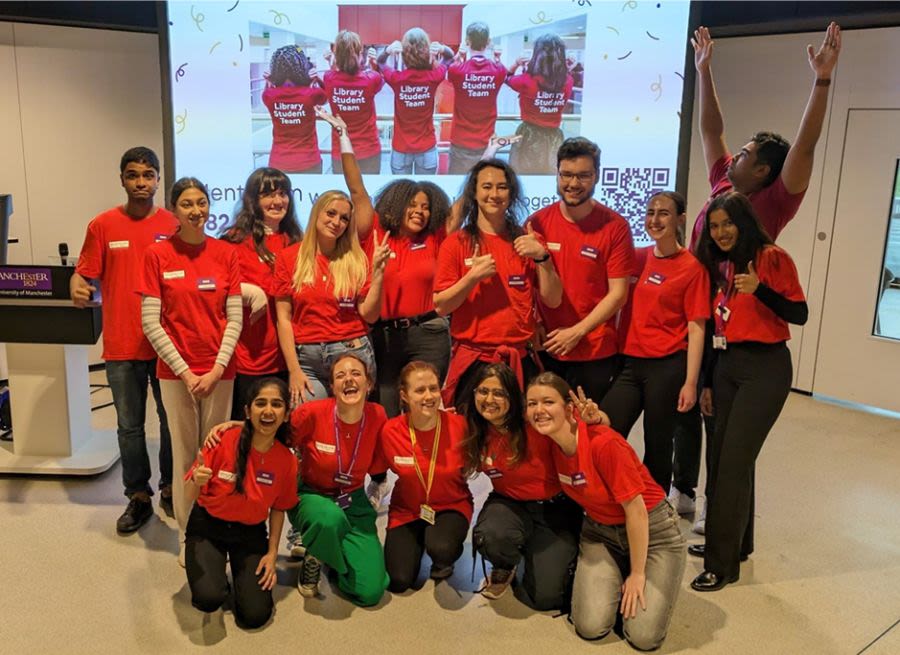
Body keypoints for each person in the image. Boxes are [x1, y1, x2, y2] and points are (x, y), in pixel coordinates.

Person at [676, 23, 841, 527]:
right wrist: (704, 72)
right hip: (695, 307)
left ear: (765, 171)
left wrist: (822, 83)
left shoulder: (774, 199)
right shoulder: (724, 178)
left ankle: (714, 501)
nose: (737, 156)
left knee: (716, 417)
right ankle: (682, 490)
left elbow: (805, 150)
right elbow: (710, 130)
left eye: (747, 154)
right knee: (688, 402)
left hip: (733, 323)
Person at [689, 191, 808, 591]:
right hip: (726, 366)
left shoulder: (772, 258)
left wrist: (760, 290)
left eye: (728, 223)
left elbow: (799, 314)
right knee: (725, 458)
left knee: (733, 464)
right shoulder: (718, 266)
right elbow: (714, 330)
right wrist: (706, 381)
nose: (721, 232)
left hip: (765, 368)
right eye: (715, 225)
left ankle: (720, 565)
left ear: (744, 222)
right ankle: (737, 543)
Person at [526, 372, 684, 651]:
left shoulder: (603, 443)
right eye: (532, 404)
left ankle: (639, 571)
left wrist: (637, 574)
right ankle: (618, 574)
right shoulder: (548, 444)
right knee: (590, 627)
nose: (539, 410)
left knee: (643, 637)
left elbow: (636, 512)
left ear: (568, 408)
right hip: (600, 534)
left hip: (653, 531)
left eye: (547, 402)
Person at [70, 146, 177, 533]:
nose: (141, 183)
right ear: (122, 179)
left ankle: (170, 488)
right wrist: (77, 285)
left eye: (148, 175)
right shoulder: (102, 225)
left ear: (158, 178)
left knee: (170, 423)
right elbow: (84, 275)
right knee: (129, 426)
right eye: (133, 175)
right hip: (121, 344)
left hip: (167, 345)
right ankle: (138, 496)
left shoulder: (174, 224)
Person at [140, 177, 243, 563]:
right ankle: (190, 534)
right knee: (186, 457)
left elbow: (234, 319)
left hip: (220, 372)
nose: (197, 210)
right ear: (174, 210)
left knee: (214, 455)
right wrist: (186, 372)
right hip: (175, 375)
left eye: (202, 202)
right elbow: (152, 323)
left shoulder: (225, 253)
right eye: (187, 204)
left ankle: (214, 528)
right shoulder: (158, 255)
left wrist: (216, 370)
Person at [601, 192, 710, 491]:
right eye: (650, 213)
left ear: (680, 219)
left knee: (658, 443)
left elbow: (697, 328)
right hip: (629, 364)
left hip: (667, 367)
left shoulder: (692, 268)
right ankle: (609, 498)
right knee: (604, 428)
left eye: (663, 213)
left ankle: (656, 511)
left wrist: (690, 382)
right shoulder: (636, 258)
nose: (655, 220)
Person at [434, 159, 563, 407]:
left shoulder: (527, 241)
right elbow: (441, 306)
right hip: (473, 361)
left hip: (519, 358)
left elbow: (553, 299)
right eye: (487, 186)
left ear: (511, 193)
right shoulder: (456, 243)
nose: (494, 194)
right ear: (474, 192)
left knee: (518, 439)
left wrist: (543, 258)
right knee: (470, 438)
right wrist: (472, 278)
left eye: (502, 187)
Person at [461, 363, 584, 610]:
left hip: (554, 507)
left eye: (499, 393)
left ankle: (537, 550)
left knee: (546, 599)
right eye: (483, 391)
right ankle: (505, 564)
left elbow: (580, 439)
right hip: (509, 503)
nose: (489, 399)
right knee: (493, 536)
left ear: (513, 397)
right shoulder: (475, 428)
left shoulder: (535, 421)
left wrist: (596, 418)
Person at [527, 138, 634, 404]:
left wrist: (576, 332)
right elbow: (526, 283)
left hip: (594, 352)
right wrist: (536, 322)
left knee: (587, 434)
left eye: (583, 176)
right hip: (546, 349)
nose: (573, 184)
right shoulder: (536, 222)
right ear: (557, 173)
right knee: (543, 430)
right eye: (567, 175)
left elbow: (618, 294)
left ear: (597, 176)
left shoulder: (615, 227)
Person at [184, 377, 297, 629]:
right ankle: (210, 566)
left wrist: (271, 553)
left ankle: (238, 569)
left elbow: (279, 508)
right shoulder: (222, 440)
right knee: (208, 598)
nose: (268, 411)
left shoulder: (287, 461)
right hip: (208, 526)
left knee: (255, 616)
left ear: (287, 414)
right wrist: (196, 480)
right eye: (260, 403)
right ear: (247, 411)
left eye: (277, 404)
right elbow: (190, 494)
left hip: (249, 532)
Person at [272, 188, 390, 405]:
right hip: (307, 358)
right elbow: (284, 319)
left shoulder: (356, 259)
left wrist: (379, 274)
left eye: (344, 218)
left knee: (352, 425)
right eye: (331, 213)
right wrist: (293, 370)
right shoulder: (288, 258)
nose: (337, 222)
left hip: (352, 352)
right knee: (306, 421)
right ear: (317, 213)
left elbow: (369, 316)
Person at [374, 361, 472, 592]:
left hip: (451, 504)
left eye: (433, 388)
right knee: (398, 581)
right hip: (407, 510)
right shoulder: (390, 431)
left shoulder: (460, 426)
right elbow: (373, 468)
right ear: (404, 395)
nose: (429, 396)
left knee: (442, 547)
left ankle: (441, 556)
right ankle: (418, 540)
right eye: (419, 390)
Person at [221, 168, 303, 418]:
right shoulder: (233, 242)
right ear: (252, 200)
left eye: (283, 193)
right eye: (268, 194)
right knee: (246, 429)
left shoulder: (299, 242)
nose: (278, 201)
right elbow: (217, 289)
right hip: (249, 355)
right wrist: (246, 291)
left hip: (290, 355)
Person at [378, 28, 448, 175]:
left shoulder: (396, 78)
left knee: (403, 194)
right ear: (426, 51)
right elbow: (449, 58)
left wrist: (388, 50)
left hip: (401, 149)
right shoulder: (434, 77)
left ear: (404, 53)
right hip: (427, 147)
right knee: (425, 193)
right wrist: (443, 48)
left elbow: (380, 63)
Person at [505, 34, 575, 174]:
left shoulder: (526, 80)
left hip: (528, 135)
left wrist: (516, 64)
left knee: (524, 175)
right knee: (551, 174)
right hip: (555, 136)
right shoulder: (568, 80)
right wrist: (568, 68)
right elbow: (558, 77)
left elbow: (506, 78)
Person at [446, 22, 508, 174]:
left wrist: (459, 57)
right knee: (483, 189)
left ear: (467, 41)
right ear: (488, 42)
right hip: (486, 143)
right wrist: (497, 58)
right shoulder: (498, 70)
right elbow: (503, 72)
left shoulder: (457, 70)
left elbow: (449, 70)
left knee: (458, 188)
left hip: (460, 141)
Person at [322, 30, 384, 174]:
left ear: (336, 55)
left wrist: (331, 62)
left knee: (343, 195)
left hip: (341, 151)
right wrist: (373, 65)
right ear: (360, 53)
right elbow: (380, 80)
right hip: (368, 149)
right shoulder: (371, 79)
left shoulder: (329, 78)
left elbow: (336, 72)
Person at [262, 45, 326, 174]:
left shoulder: (269, 95)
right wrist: (316, 79)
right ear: (302, 68)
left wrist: (269, 81)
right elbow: (326, 97)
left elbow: (267, 93)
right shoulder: (311, 94)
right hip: (309, 161)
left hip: (278, 163)